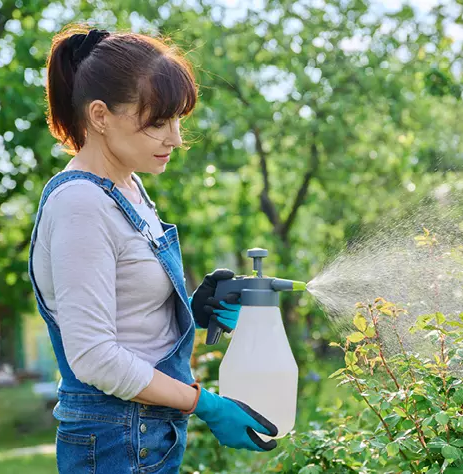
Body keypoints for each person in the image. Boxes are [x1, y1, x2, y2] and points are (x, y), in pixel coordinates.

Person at [27, 25, 278, 474]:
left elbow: (129, 320)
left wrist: (193, 311)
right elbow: (94, 357)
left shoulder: (128, 185)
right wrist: (205, 404)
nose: (176, 139)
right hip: (114, 442)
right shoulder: (81, 204)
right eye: (158, 122)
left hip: (145, 435)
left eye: (178, 120)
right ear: (100, 116)